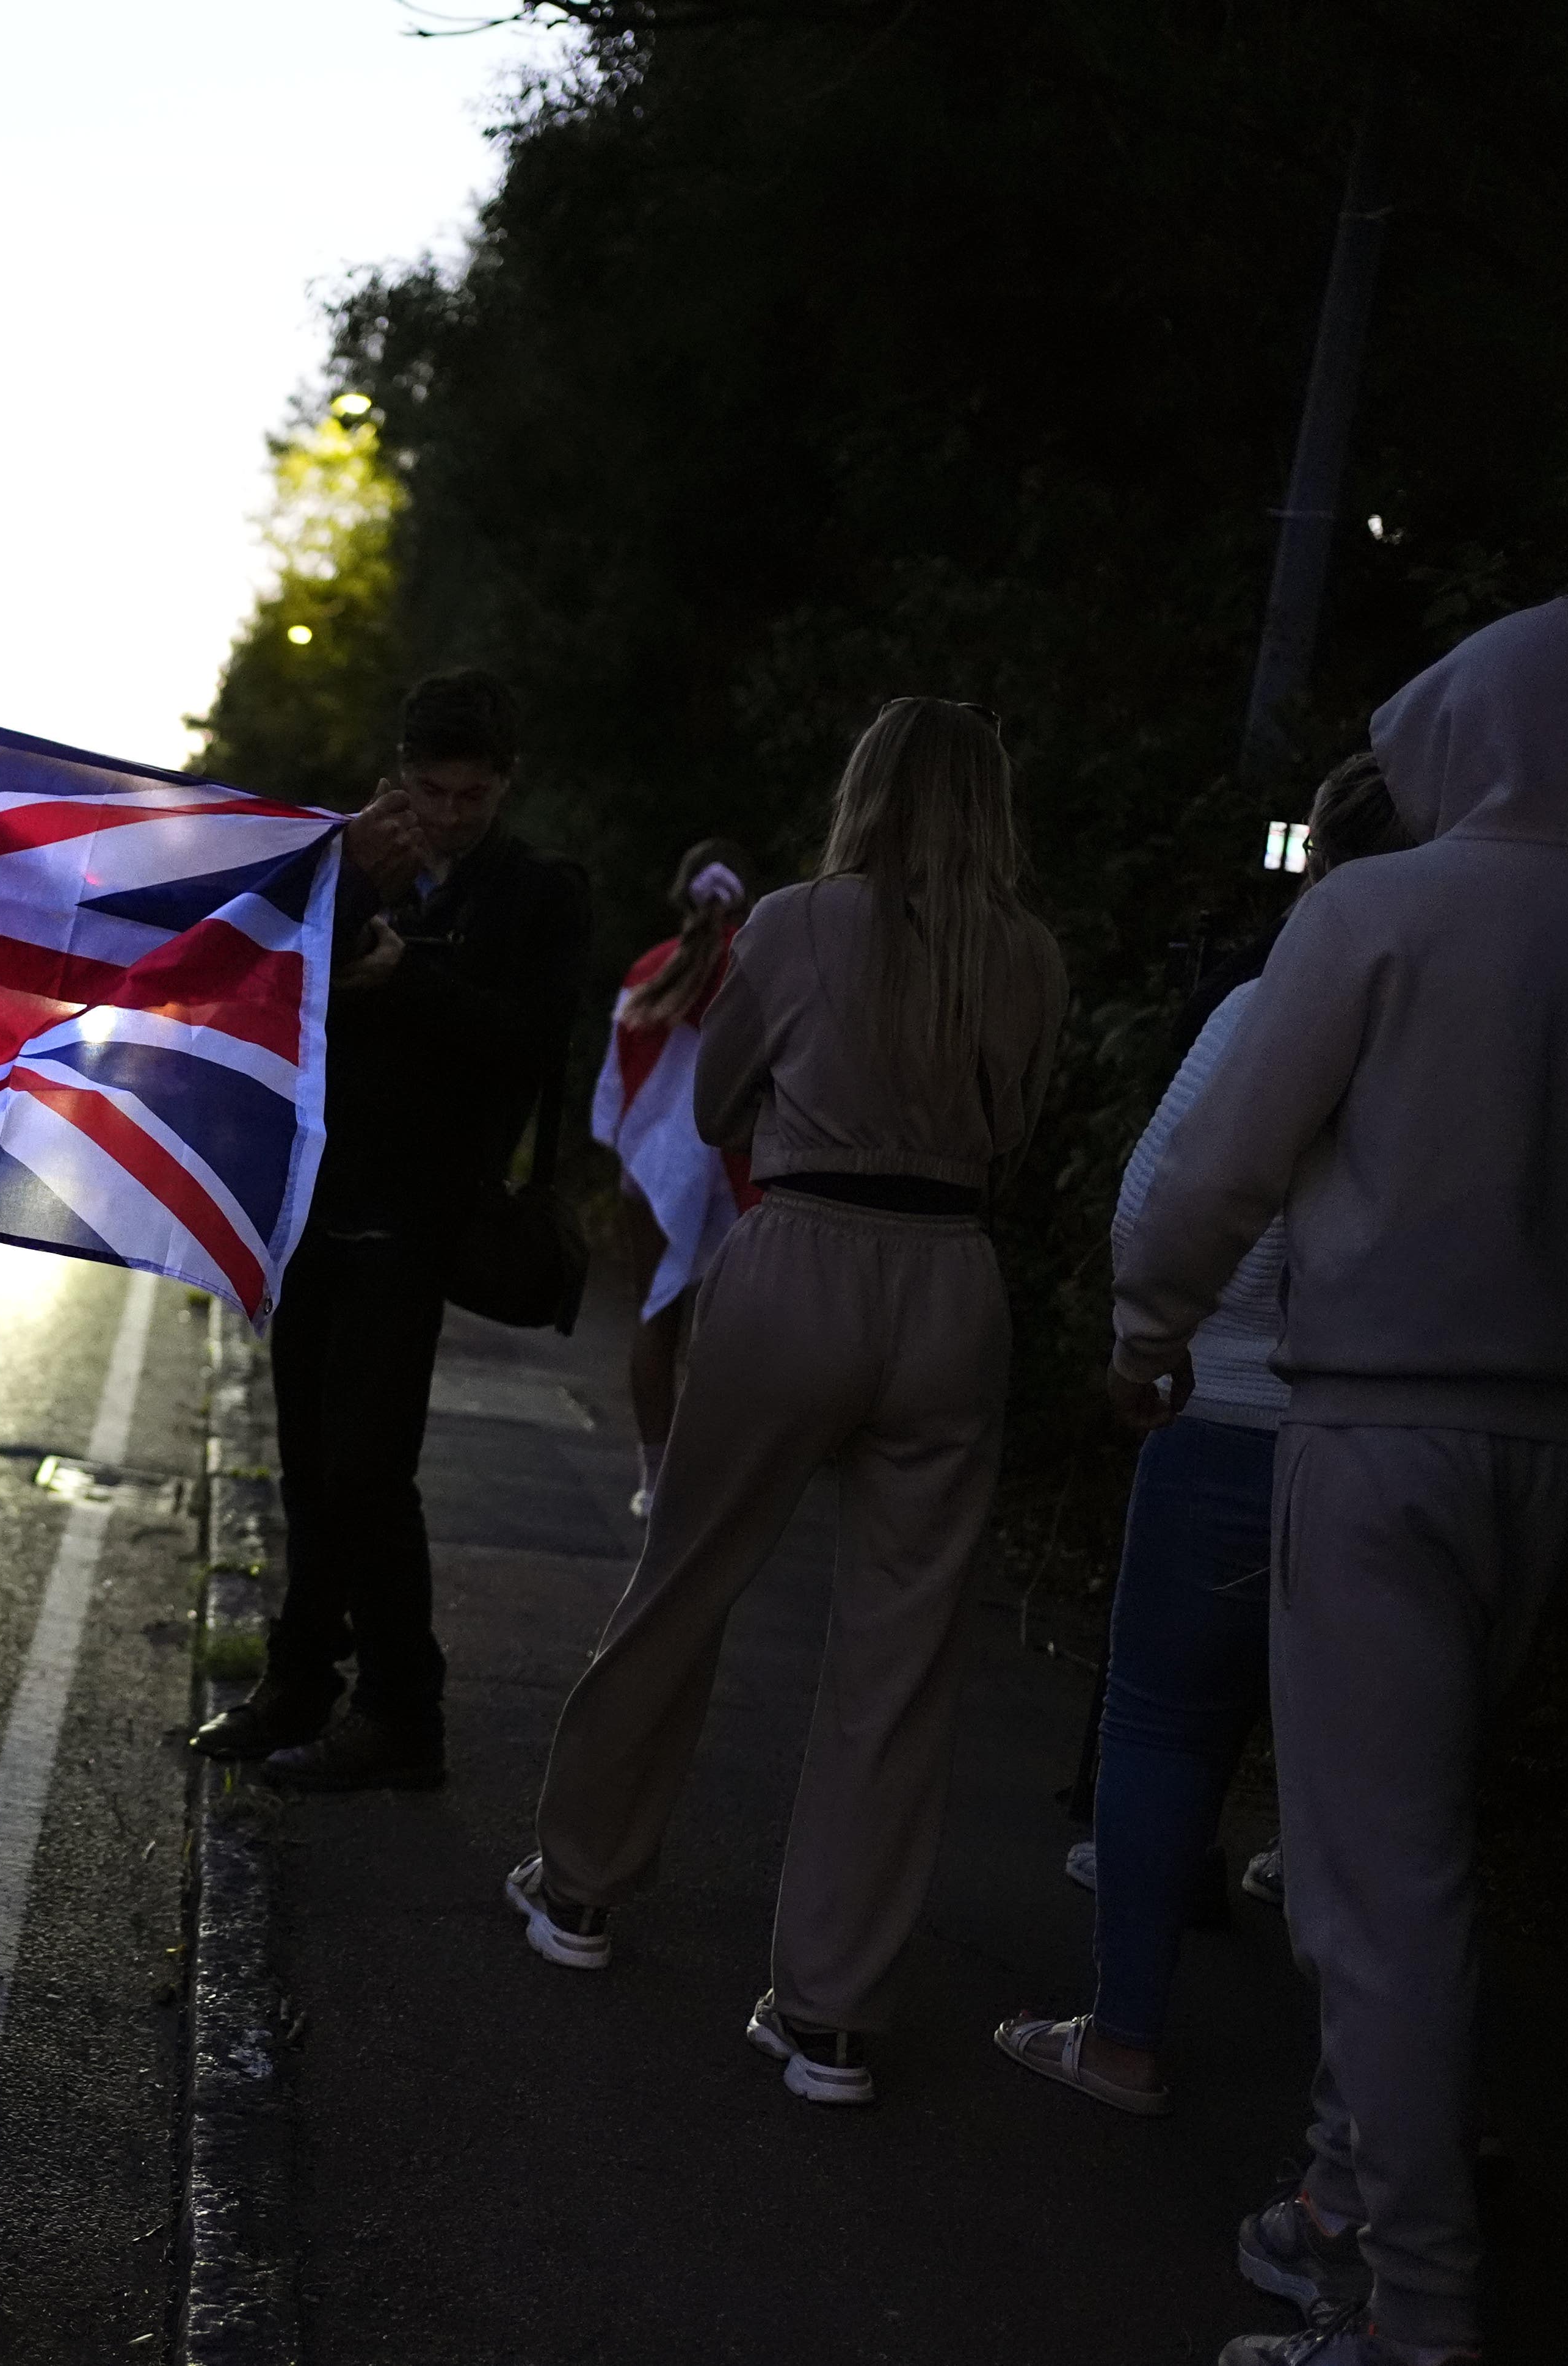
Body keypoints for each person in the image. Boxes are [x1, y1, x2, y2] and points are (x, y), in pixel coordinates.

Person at [1112, 598, 1568, 2366]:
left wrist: (1146, 1321)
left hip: (1378, 1428)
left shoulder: (1378, 911)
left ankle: (1410, 2314)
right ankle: (1339, 2197)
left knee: (1372, 1880)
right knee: (1418, 1844)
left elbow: (1221, 1164)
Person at [508, 698, 1064, 2109]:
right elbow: (1013, 1135)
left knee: (686, 1576)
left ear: (864, 790)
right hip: (951, 1281)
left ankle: (579, 1884)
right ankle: (831, 2013)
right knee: (898, 1658)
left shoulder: (797, 922)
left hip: (801, 1255)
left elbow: (713, 1108)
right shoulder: (1027, 954)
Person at [991, 756, 1407, 2125]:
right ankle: (1399, 2108)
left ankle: (1122, 2036)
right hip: (1404, 1439)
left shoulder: (1270, 1003)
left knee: (1163, 1723)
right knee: (1392, 1778)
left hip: (1226, 1409)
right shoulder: (1485, 1025)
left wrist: (1145, 1344)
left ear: (1317, 864)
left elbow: (1161, 1198)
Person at [189, 667, 594, 1792]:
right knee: (310, 1462)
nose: (451, 816)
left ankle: (402, 1708)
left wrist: (408, 979)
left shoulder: (538, 894)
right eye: (431, 793)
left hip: (421, 1212)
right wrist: (342, 904)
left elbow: (530, 1044)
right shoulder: (347, 863)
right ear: (396, 777)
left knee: (368, 1468)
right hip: (321, 1197)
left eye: (473, 796)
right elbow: (258, 988)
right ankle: (299, 1680)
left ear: (506, 784)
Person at [590, 840, 761, 1517]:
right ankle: (714, 1485)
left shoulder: (648, 969)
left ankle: (654, 1480)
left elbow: (614, 1083)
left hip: (654, 1165)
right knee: (729, 1331)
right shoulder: (758, 967)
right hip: (737, 1166)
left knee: (654, 1314)